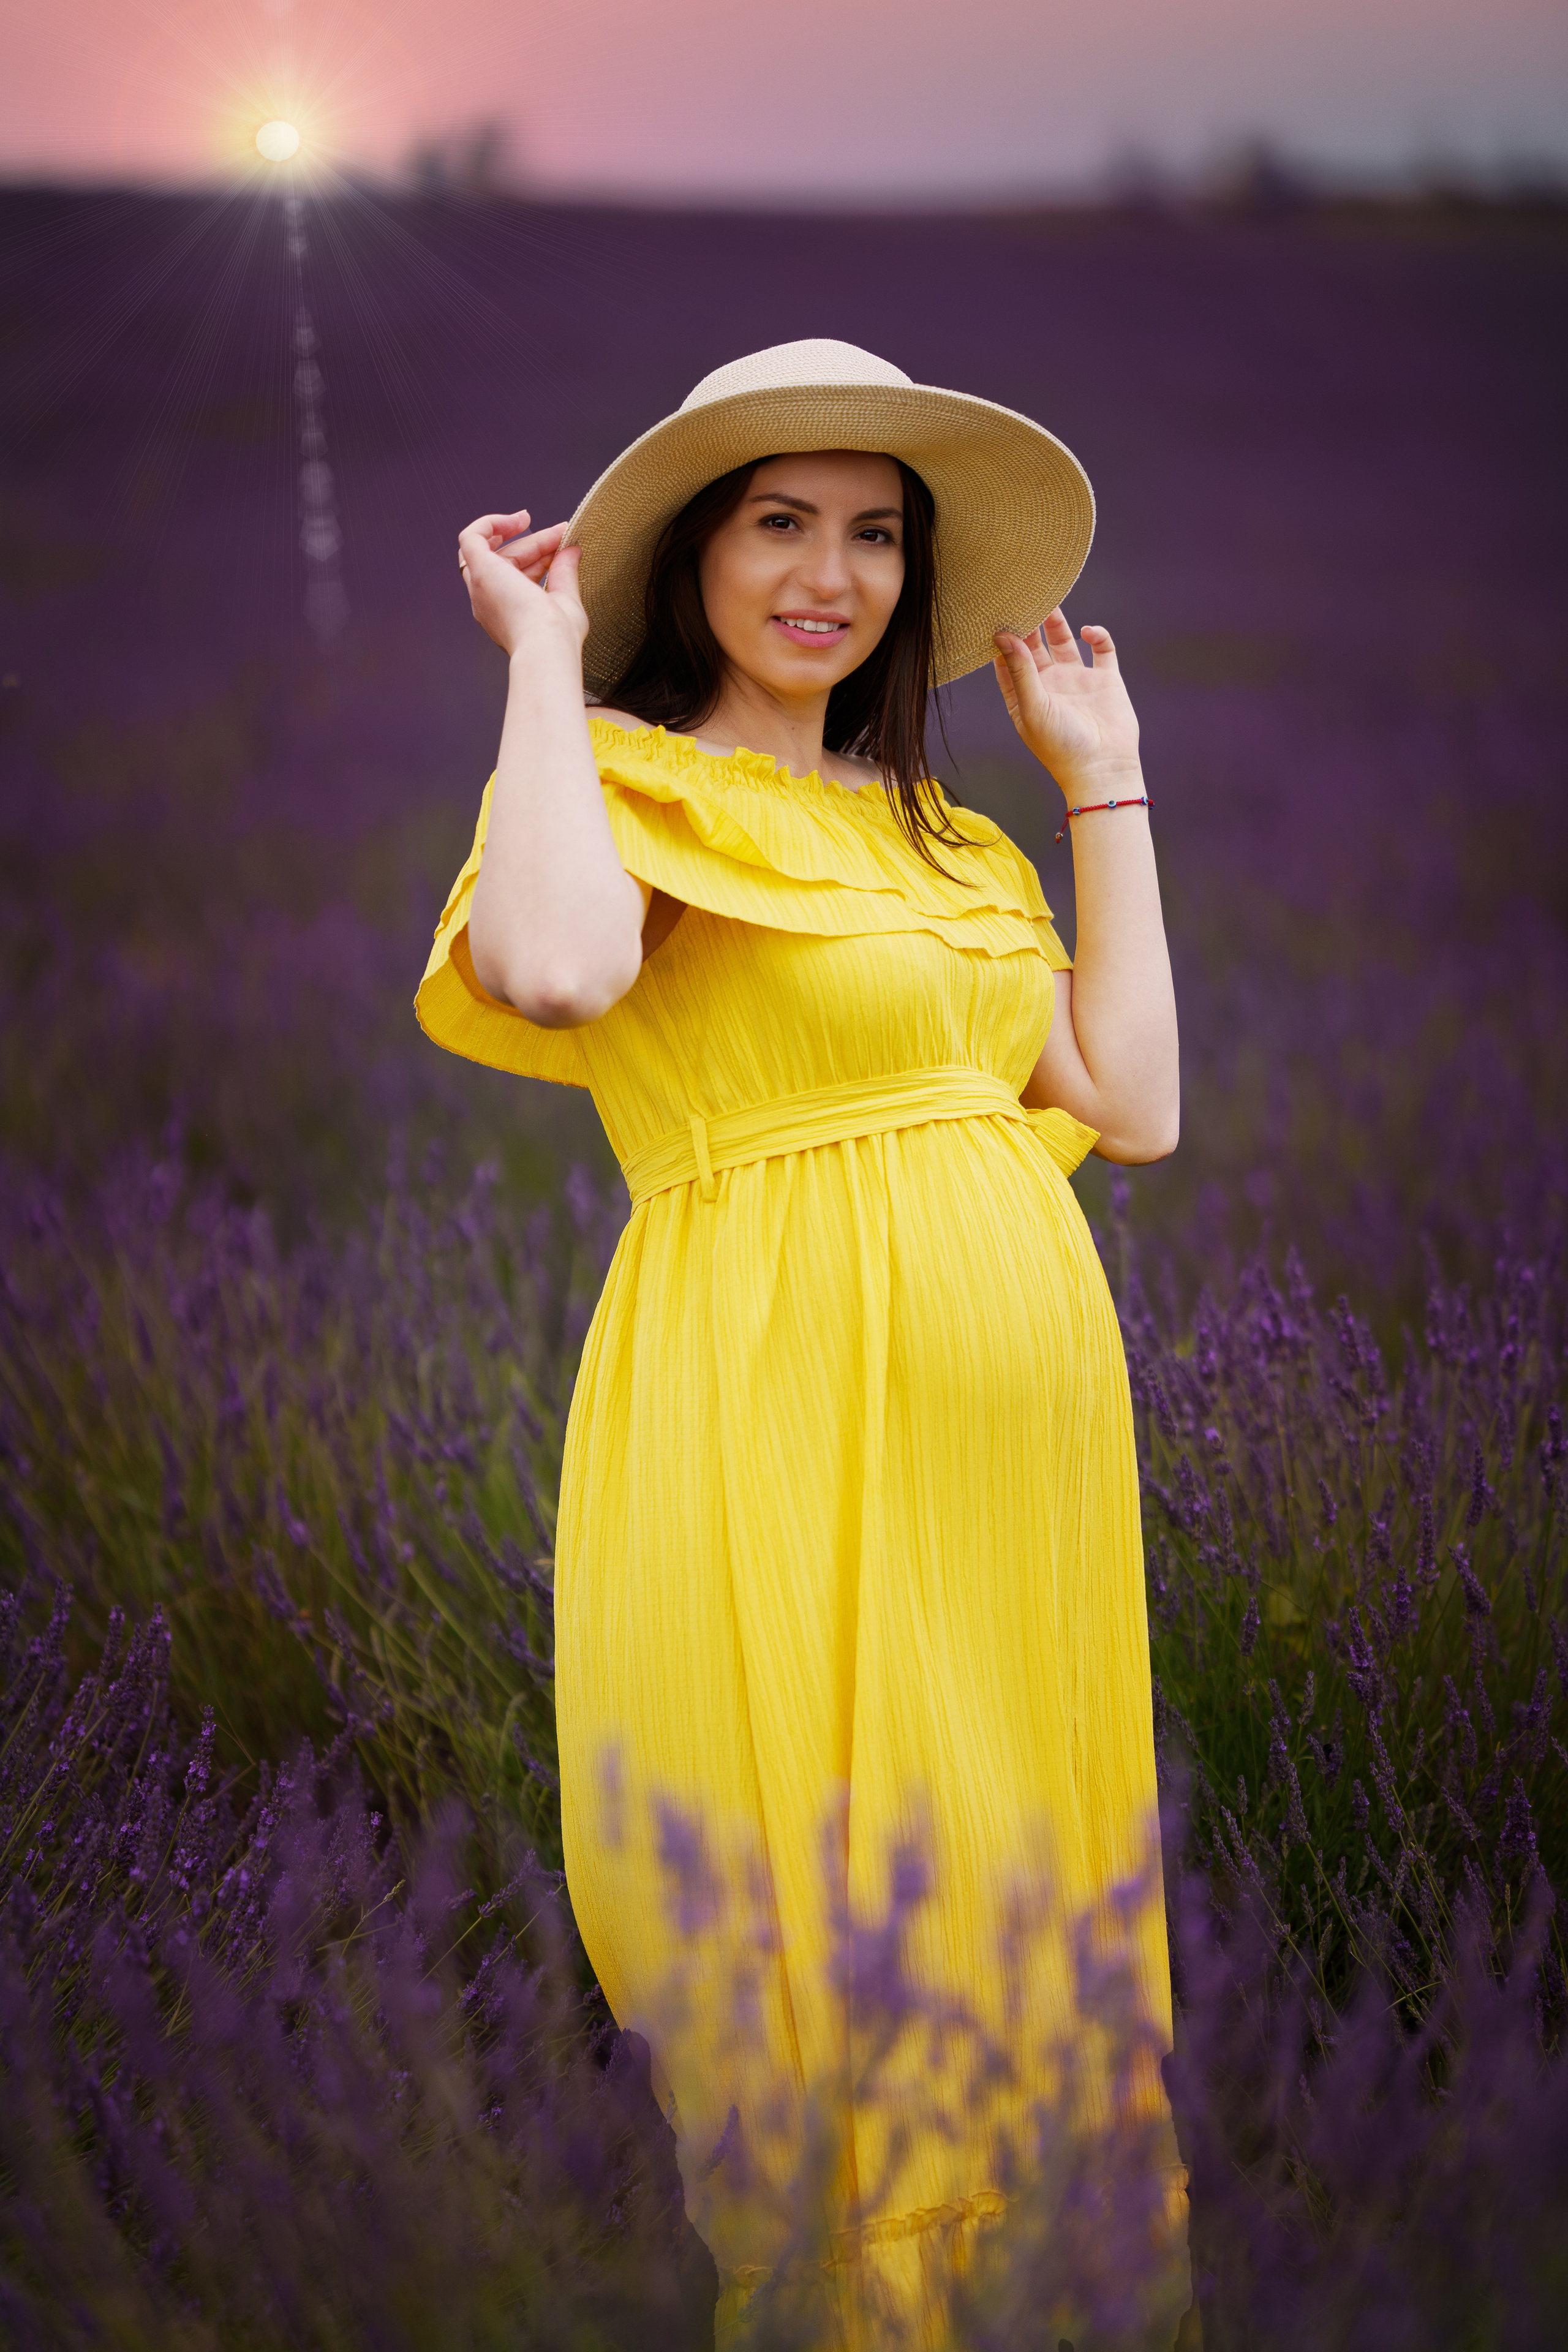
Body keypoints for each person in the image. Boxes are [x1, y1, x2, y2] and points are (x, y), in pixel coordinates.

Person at [418, 340, 1188, 2346]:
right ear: (692, 561)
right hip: (765, 1406)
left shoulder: (953, 848)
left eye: (873, 535)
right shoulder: (622, 791)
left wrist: (1101, 780)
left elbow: (1133, 1096)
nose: (830, 574)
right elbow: (560, 966)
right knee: (817, 1926)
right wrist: (540, 665)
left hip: (1015, 1475)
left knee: (1022, 1935)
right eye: (782, 525)